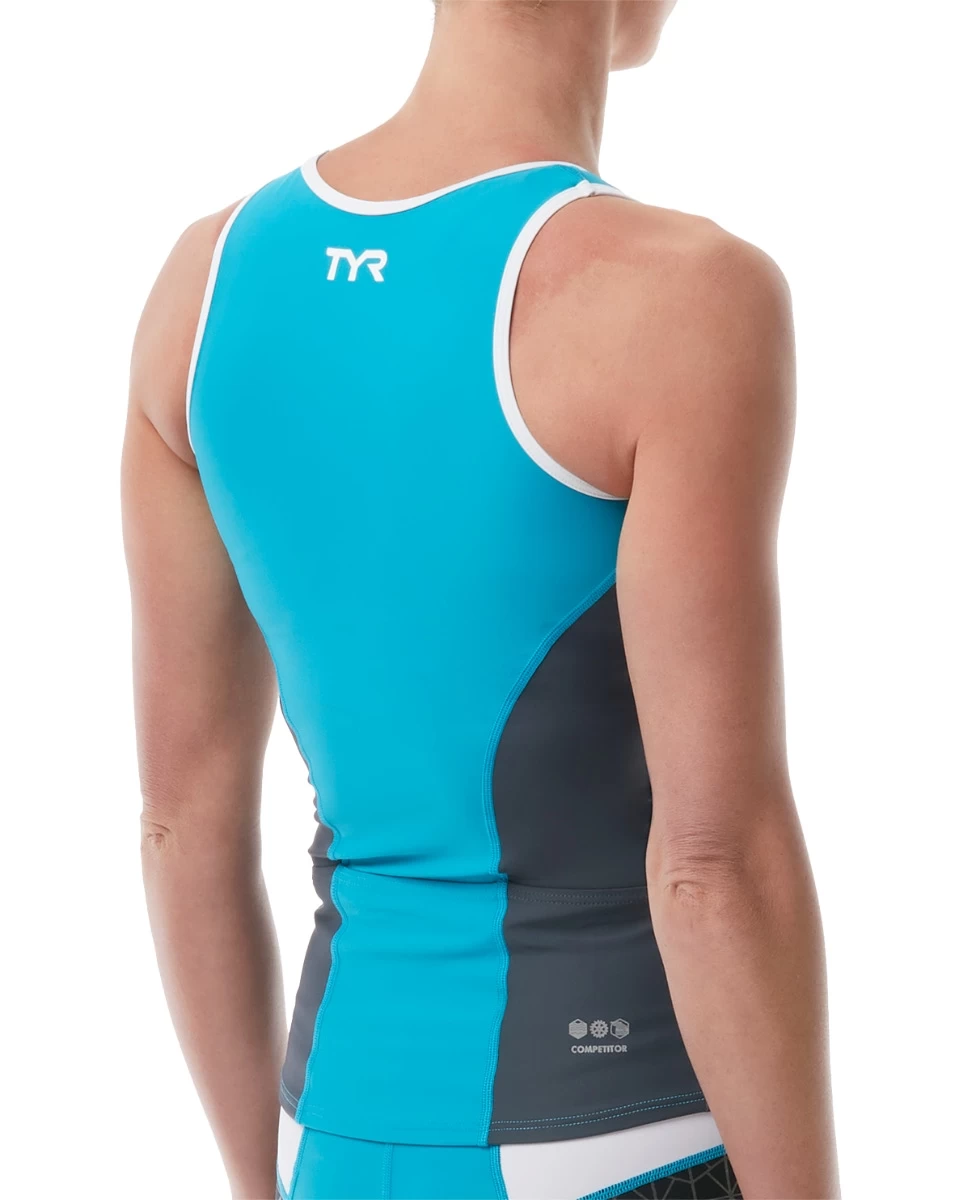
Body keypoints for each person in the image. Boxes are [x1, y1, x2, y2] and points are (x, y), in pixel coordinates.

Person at [122, 2, 839, 1197]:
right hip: (617, 1139)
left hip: (329, 1135)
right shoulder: (682, 294)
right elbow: (712, 864)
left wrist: (272, 1180)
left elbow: (179, 825)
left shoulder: (202, 286)